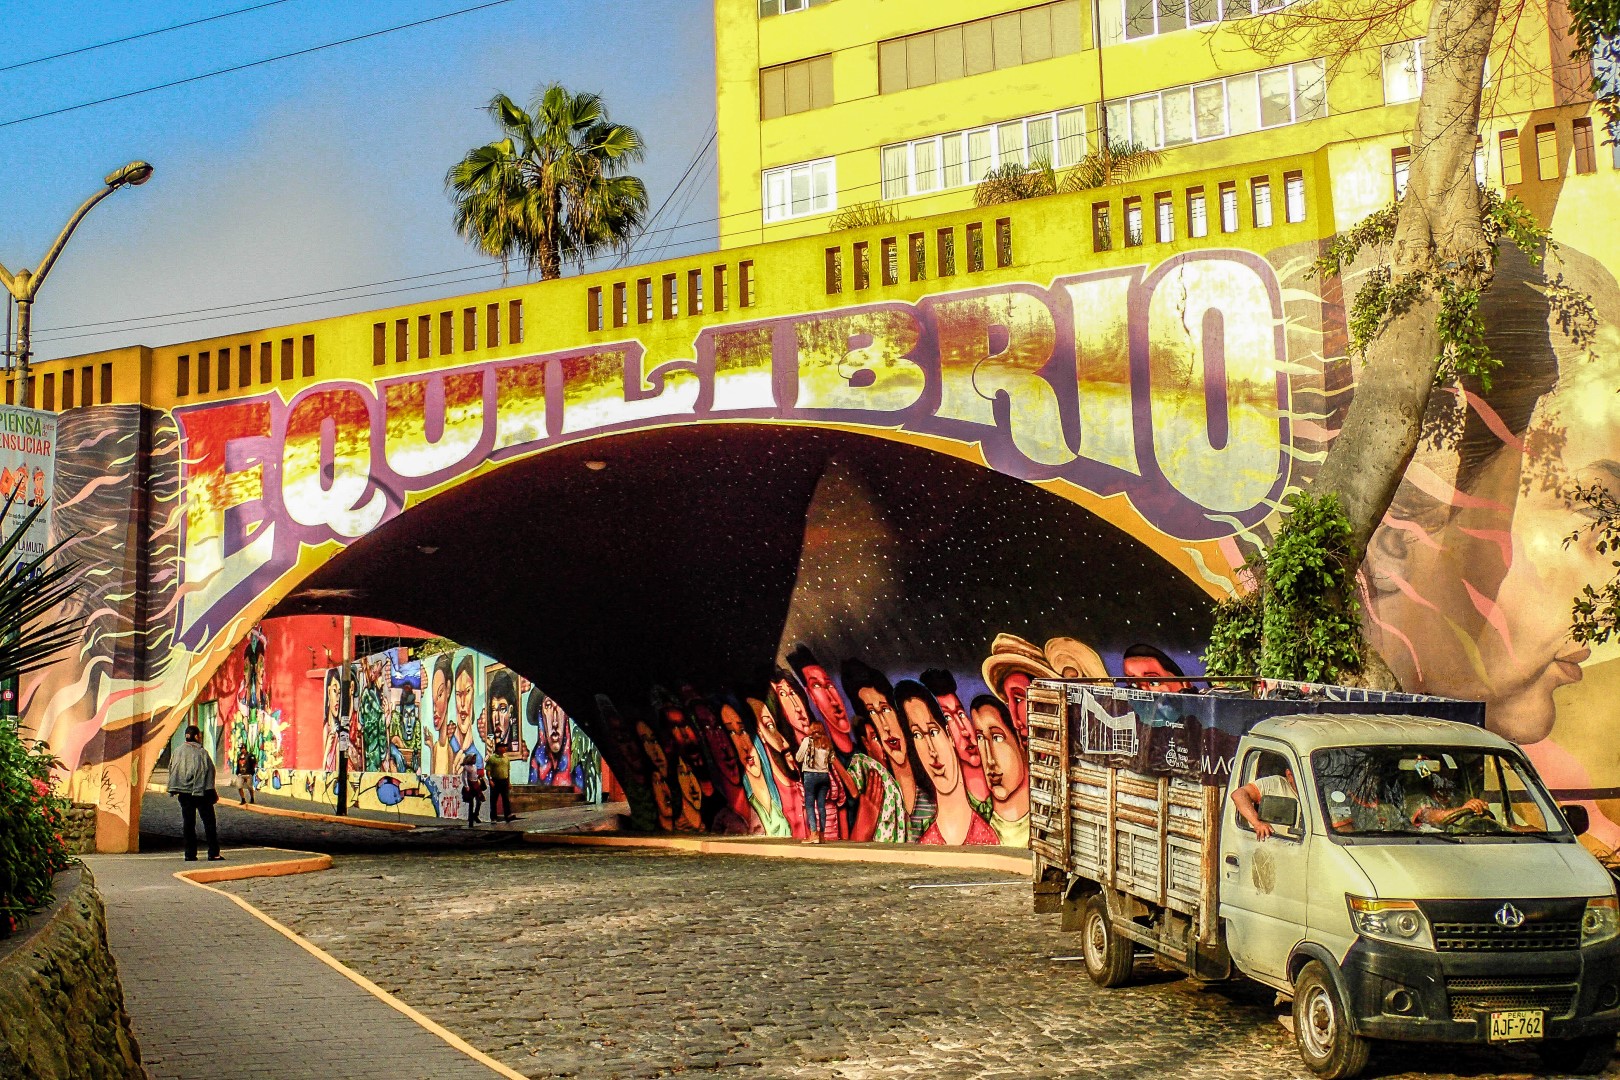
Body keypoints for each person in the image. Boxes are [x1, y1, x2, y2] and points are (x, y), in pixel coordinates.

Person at [896, 681, 998, 845]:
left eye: (933, 731)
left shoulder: (988, 835)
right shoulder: (925, 842)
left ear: (949, 734)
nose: (932, 751)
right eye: (917, 735)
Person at [970, 694, 1030, 847]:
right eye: (980, 738)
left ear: (1020, 740)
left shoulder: (1052, 824)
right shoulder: (976, 831)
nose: (990, 760)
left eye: (997, 738)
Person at [168, 725, 223, 861]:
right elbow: (207, 772)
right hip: (201, 793)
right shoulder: (201, 752)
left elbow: (172, 769)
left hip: (184, 793)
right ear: (197, 736)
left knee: (188, 823)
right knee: (209, 823)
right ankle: (213, 853)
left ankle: (190, 854)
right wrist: (210, 792)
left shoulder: (177, 751)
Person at [1231, 756, 1297, 841]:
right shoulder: (1275, 784)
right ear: (1289, 775)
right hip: (1273, 843)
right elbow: (1238, 795)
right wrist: (1257, 823)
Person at [795, 721, 834, 844]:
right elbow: (831, 760)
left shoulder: (808, 741)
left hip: (810, 775)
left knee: (810, 805)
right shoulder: (827, 742)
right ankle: (822, 836)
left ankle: (813, 834)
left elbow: (798, 758)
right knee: (821, 806)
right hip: (824, 776)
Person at [487, 742, 514, 822]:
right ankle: (493, 817)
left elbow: (508, 771)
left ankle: (508, 815)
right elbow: (488, 770)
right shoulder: (492, 759)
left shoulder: (506, 759)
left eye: (505, 747)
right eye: (503, 747)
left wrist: (509, 782)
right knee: (493, 800)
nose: (504, 749)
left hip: (504, 781)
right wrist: (490, 780)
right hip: (495, 781)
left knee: (506, 798)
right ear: (498, 748)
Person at [461, 755, 485, 826]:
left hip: (476, 785)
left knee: (479, 801)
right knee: (471, 803)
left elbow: (474, 775)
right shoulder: (466, 767)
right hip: (470, 785)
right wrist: (466, 786)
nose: (474, 760)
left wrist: (478, 777)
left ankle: (475, 815)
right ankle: (470, 819)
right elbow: (464, 777)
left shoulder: (475, 767)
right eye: (473, 759)